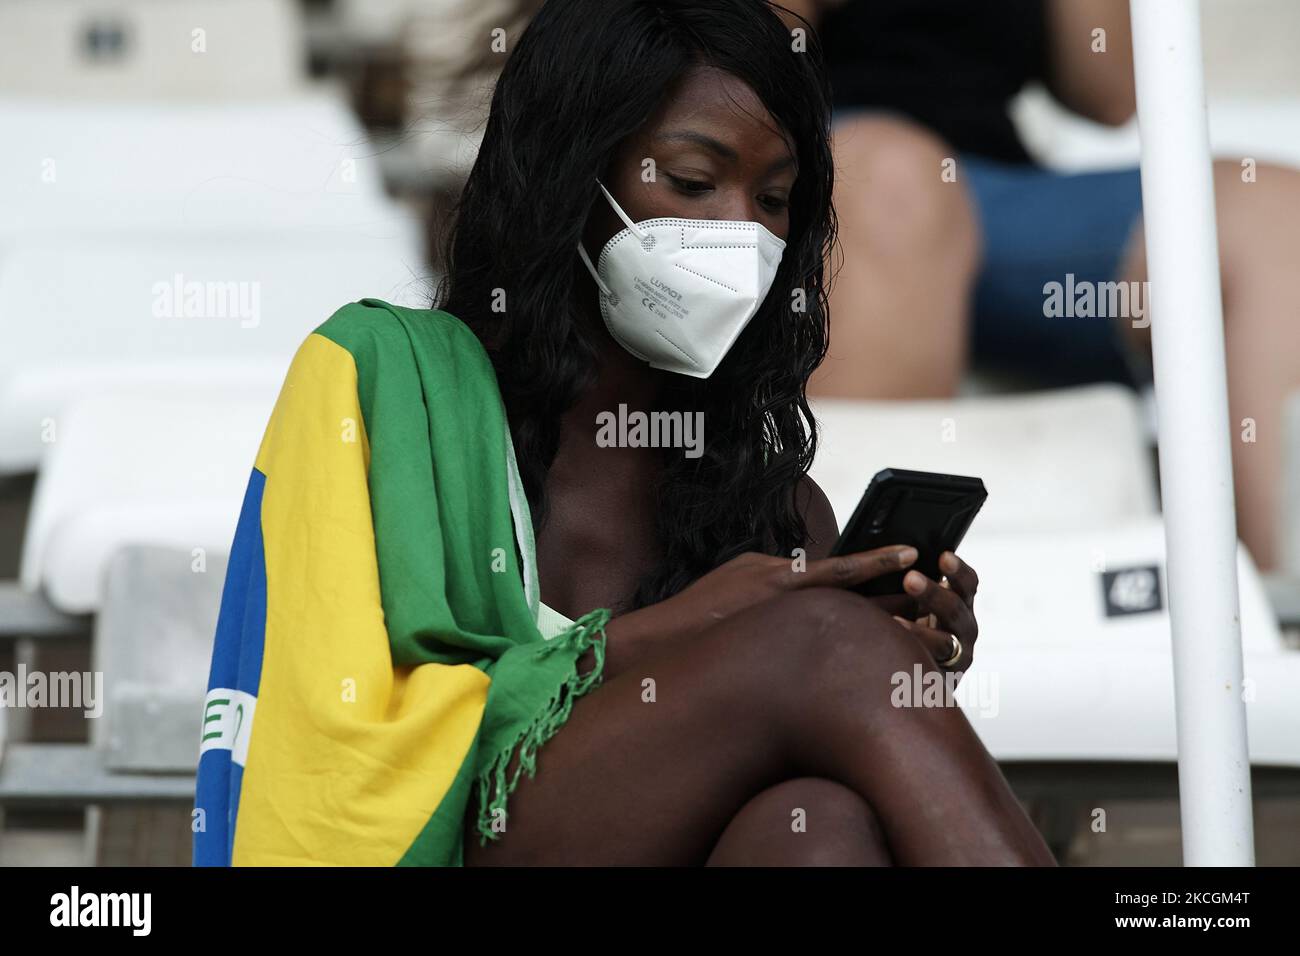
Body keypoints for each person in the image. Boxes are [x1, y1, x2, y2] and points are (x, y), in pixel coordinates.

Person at [195, 0, 1054, 867]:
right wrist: (695, 628)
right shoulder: (381, 372)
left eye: (774, 199)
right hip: (443, 842)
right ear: (571, 172)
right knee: (821, 640)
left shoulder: (775, 501)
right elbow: (337, 726)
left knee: (816, 828)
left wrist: (905, 667)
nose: (739, 233)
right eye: (689, 181)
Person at [784, 0, 1300, 570]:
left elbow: (1113, 92)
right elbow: (744, 54)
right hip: (819, 163)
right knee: (894, 180)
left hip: (1004, 194)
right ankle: (857, 614)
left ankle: (1273, 620)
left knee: (1276, 215)